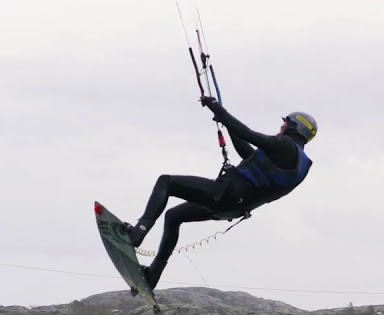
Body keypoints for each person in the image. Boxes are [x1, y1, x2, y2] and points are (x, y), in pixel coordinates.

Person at [125, 97, 316, 291]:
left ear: (294, 127)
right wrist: (225, 121)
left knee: (166, 182)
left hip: (226, 195)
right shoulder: (300, 164)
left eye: (285, 124)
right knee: (173, 216)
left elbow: (247, 133)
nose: (281, 127)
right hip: (234, 208)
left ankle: (137, 233)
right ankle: (153, 275)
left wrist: (216, 108)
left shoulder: (285, 145)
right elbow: (248, 154)